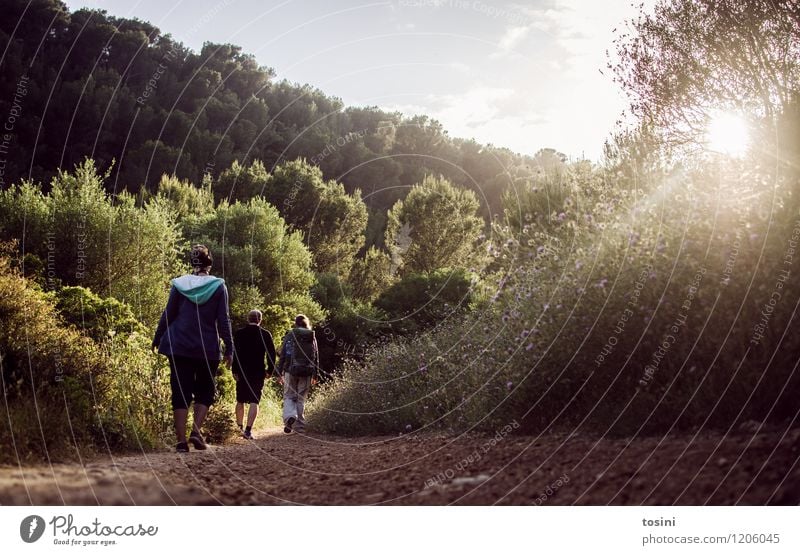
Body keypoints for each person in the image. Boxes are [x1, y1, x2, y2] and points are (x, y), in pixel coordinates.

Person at [152, 245, 233, 452]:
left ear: (192, 264)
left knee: (180, 390)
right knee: (205, 390)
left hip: (178, 344)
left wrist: (158, 336)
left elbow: (168, 313)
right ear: (210, 263)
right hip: (206, 348)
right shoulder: (218, 286)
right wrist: (230, 347)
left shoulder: (180, 284)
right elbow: (223, 320)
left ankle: (181, 442)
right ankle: (195, 432)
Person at [232, 309, 276, 439]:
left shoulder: (239, 333)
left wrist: (234, 370)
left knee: (240, 399)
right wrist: (270, 370)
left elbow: (236, 353)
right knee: (254, 400)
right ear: (260, 320)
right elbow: (271, 354)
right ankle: (248, 430)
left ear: (248, 319)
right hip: (258, 371)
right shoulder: (265, 334)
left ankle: (238, 428)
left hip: (242, 371)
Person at [276, 314, 319, 434]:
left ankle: (290, 417)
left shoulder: (291, 334)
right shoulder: (311, 336)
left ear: (296, 323)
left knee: (289, 396)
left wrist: (279, 372)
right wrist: (316, 374)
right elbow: (316, 356)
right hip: (306, 371)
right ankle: (300, 426)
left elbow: (283, 354)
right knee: (301, 399)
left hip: (290, 370)